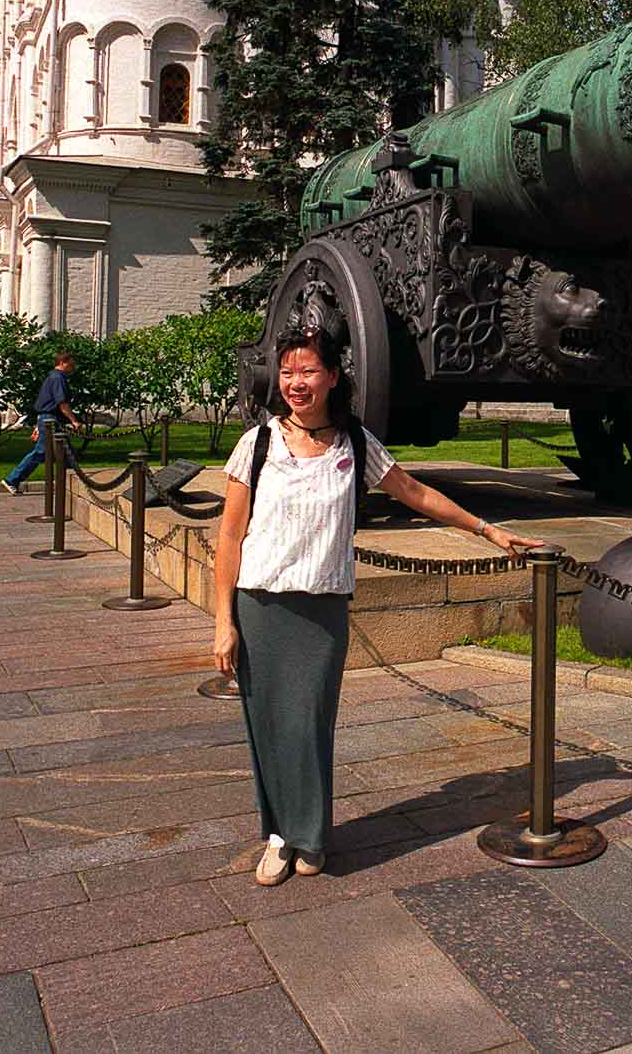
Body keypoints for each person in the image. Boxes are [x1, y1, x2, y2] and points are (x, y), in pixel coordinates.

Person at [211, 325, 542, 888]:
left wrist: (488, 530)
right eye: (287, 372)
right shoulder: (258, 444)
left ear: (333, 377)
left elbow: (414, 492)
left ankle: (310, 834)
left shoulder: (354, 443)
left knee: (311, 724)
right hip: (261, 604)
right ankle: (278, 837)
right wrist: (223, 621)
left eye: (308, 371)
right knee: (268, 725)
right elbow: (229, 536)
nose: (296, 383)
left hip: (322, 611)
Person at [2, 351, 80, 495]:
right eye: (71, 363)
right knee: (41, 451)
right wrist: (74, 421)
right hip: (51, 420)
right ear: (63, 363)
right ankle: (12, 479)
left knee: (67, 453)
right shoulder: (58, 378)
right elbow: (62, 403)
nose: (73, 366)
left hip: (47, 419)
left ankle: (73, 485)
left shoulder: (53, 377)